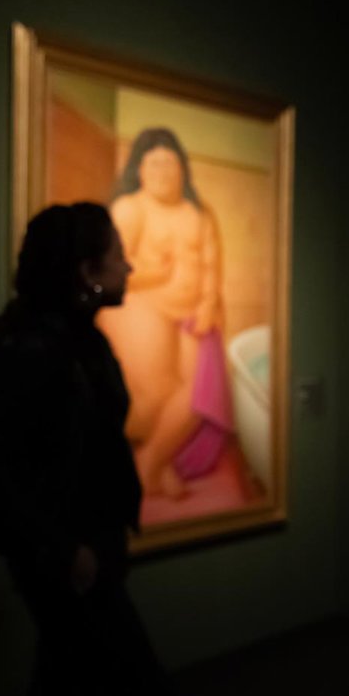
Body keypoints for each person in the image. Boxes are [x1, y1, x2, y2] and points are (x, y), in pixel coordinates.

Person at [0, 203, 177, 696]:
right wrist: (64, 550)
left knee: (66, 691)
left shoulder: (82, 341)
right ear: (87, 271)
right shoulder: (31, 349)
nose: (128, 266)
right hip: (64, 561)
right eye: (118, 255)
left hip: (89, 551)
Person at [98, 128, 227, 499]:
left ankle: (153, 461)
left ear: (182, 170)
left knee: (199, 393)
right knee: (159, 389)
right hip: (142, 309)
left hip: (190, 316)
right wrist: (154, 274)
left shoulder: (199, 215)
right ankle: (153, 463)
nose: (162, 172)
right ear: (138, 170)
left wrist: (207, 304)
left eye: (170, 164)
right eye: (153, 164)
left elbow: (211, 267)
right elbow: (113, 269)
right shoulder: (130, 208)